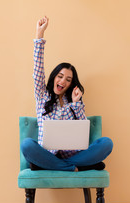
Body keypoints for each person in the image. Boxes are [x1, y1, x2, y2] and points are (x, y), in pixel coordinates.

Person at [21, 16, 113, 172]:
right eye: (60, 76)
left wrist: (77, 104)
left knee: (106, 143)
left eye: (68, 79)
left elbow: (83, 132)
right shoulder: (43, 95)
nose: (63, 81)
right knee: (27, 145)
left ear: (71, 84)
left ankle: (62, 166)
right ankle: (76, 167)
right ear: (54, 77)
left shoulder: (73, 103)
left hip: (74, 155)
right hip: (47, 154)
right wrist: (39, 35)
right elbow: (37, 71)